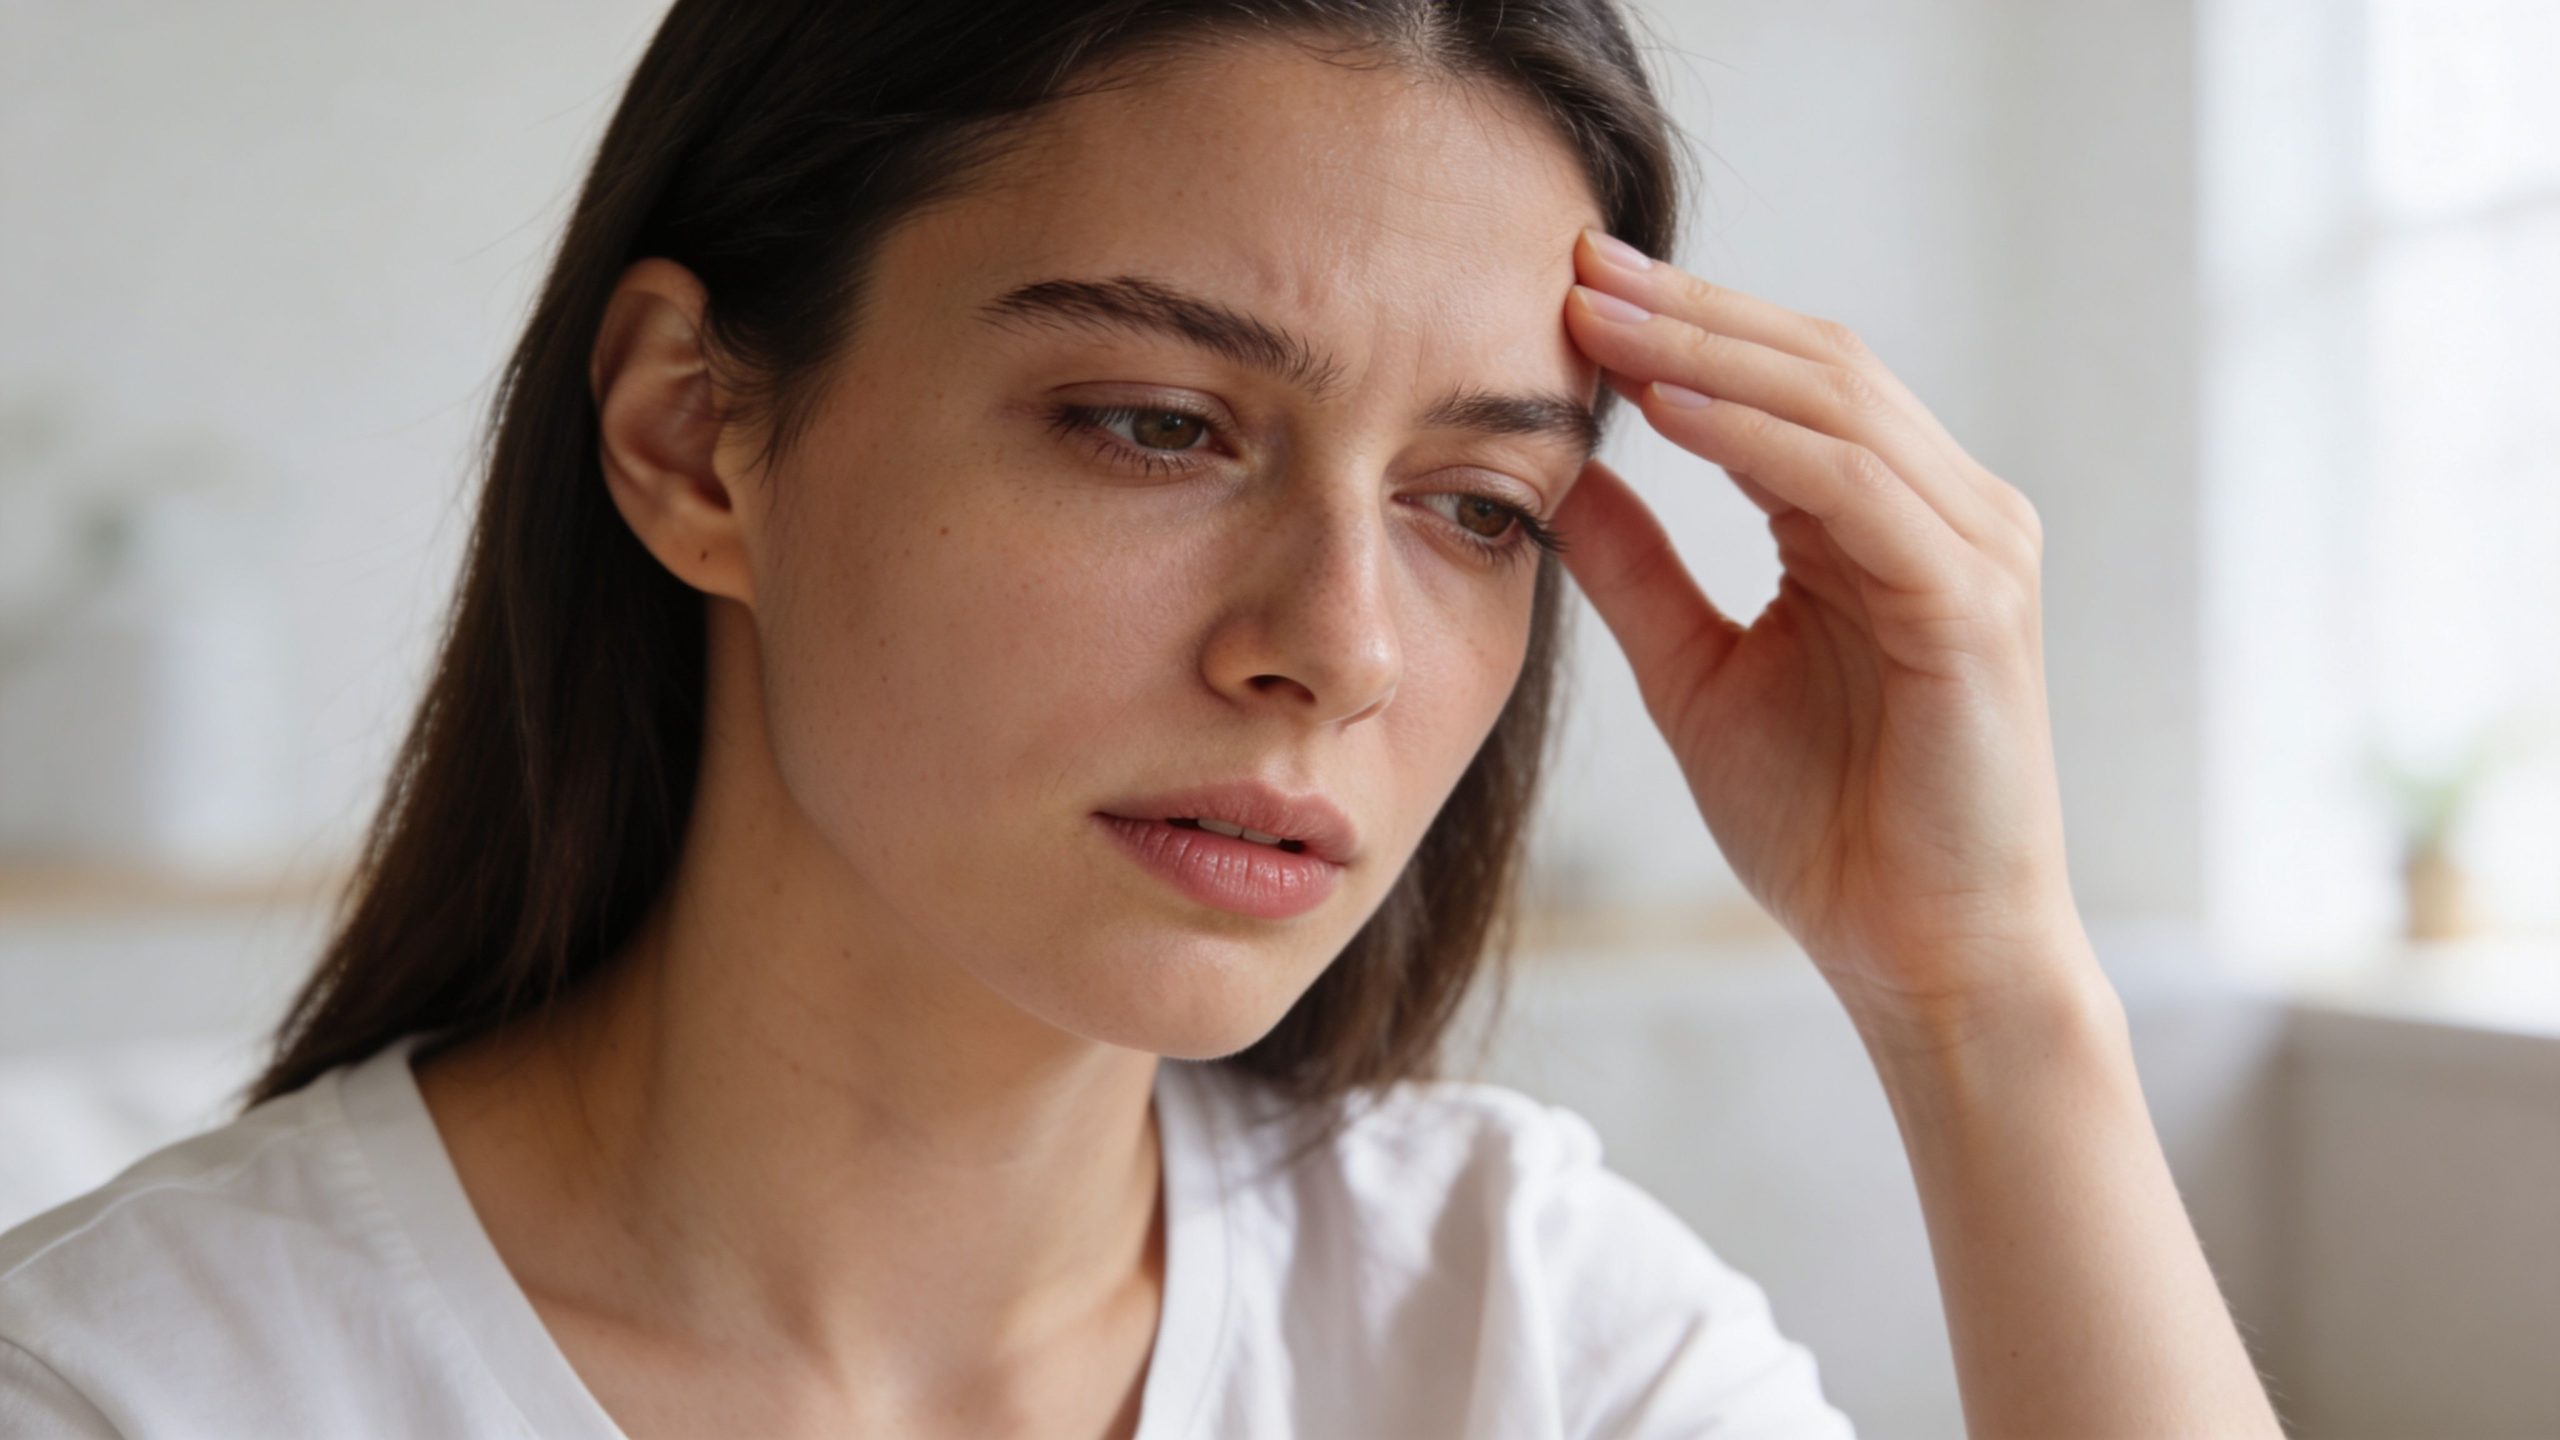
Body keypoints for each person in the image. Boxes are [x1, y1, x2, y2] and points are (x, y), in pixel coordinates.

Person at [0, 1, 2286, 1436]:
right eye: (1151, 425)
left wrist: (1981, 993)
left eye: (1472, 504)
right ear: (698, 436)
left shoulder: (1515, 1331)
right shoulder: (139, 1386)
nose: (1337, 645)